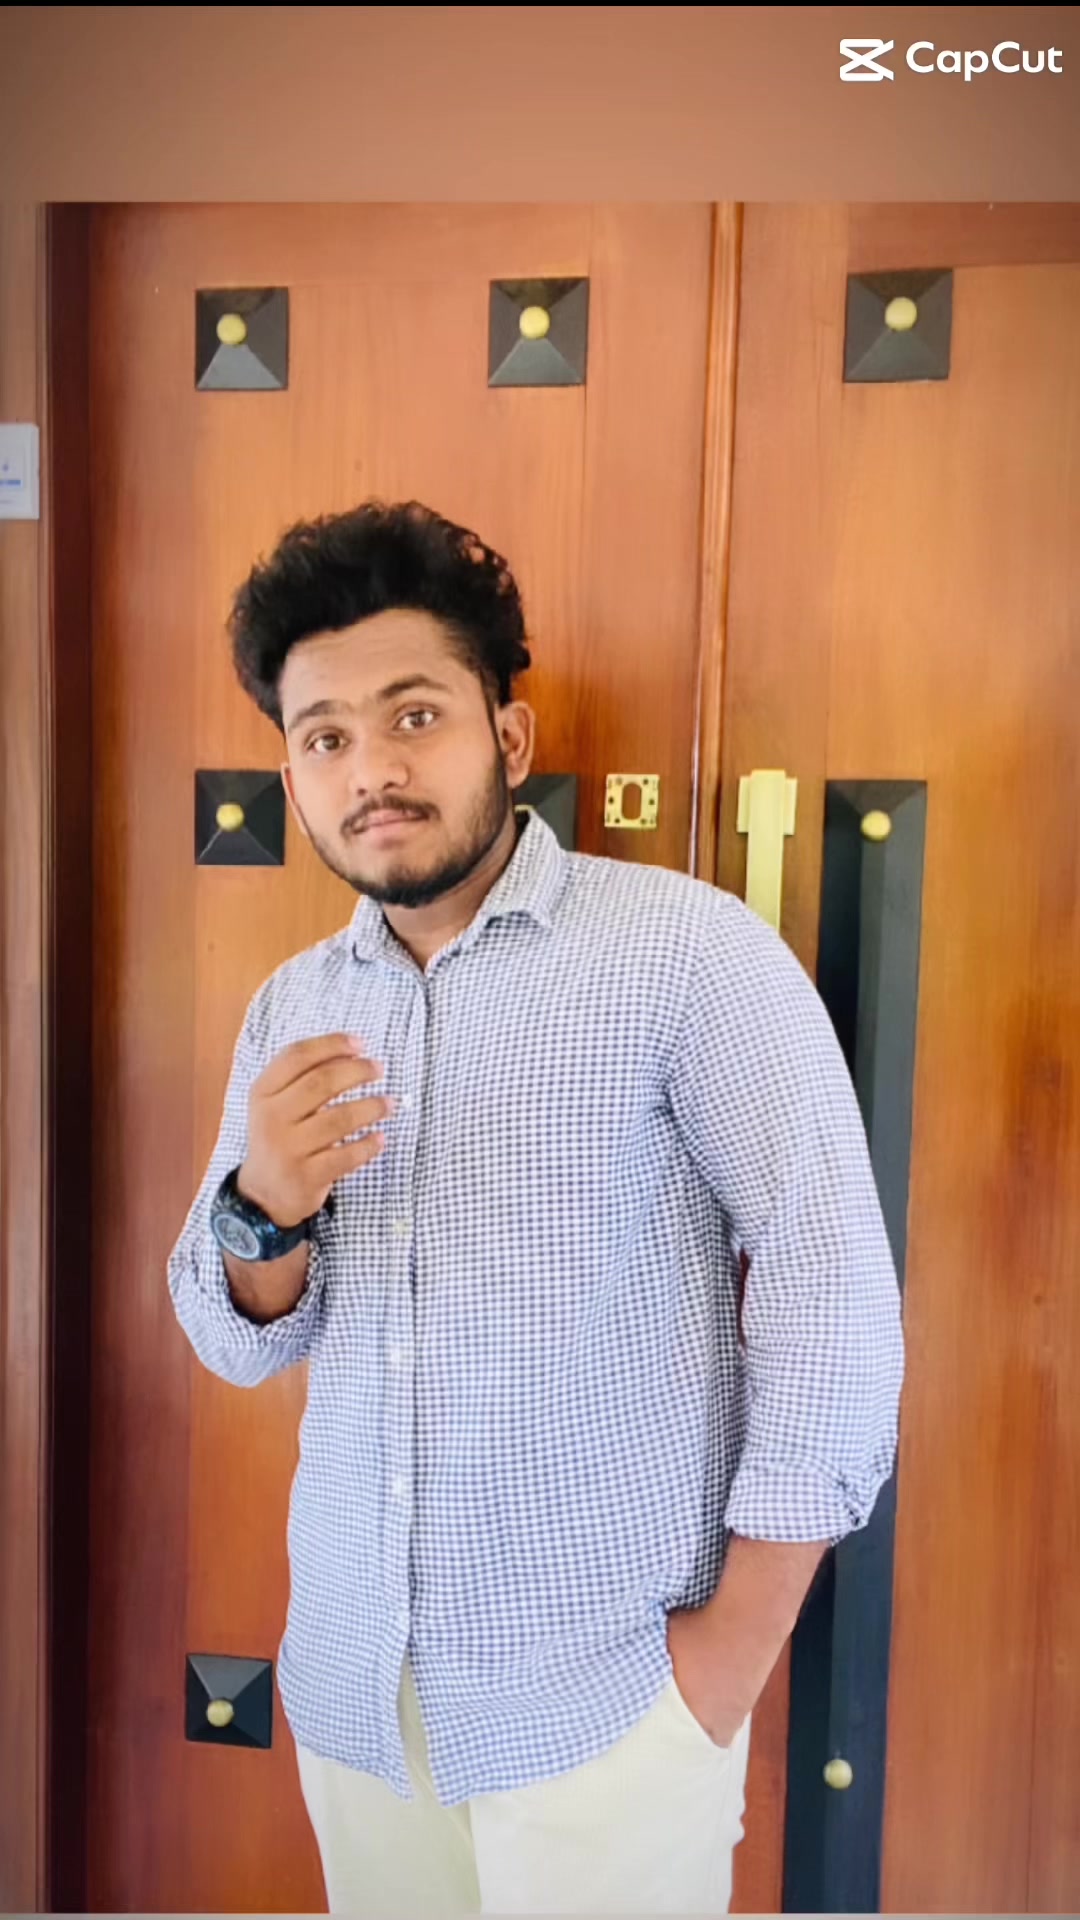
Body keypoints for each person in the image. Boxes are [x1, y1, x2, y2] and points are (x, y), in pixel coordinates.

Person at [168, 500, 905, 1917]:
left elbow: (833, 1298)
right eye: (324, 737)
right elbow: (236, 1338)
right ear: (293, 775)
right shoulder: (293, 1006)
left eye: (414, 716)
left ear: (507, 738)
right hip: (361, 1696)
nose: (372, 771)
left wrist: (724, 1665)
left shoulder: (686, 956)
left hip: (607, 1704)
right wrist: (265, 1207)